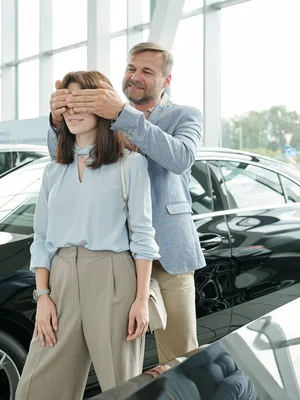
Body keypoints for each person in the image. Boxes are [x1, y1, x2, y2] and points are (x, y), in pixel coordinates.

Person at [47, 42, 205, 364]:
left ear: (167, 80)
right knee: (119, 358)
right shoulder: (102, 116)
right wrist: (56, 120)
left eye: (147, 71)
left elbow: (181, 159)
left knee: (179, 357)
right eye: (131, 68)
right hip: (112, 258)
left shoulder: (183, 116)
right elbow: (61, 158)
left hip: (166, 257)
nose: (135, 76)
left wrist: (122, 114)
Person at [15, 70, 160, 400]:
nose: (73, 110)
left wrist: (140, 301)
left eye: (82, 101)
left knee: (119, 385)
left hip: (113, 279)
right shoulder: (53, 171)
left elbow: (142, 236)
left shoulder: (130, 165)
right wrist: (43, 297)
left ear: (103, 106)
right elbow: (42, 238)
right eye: (66, 102)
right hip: (62, 277)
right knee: (35, 388)